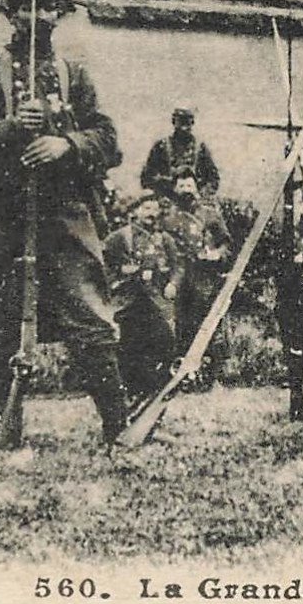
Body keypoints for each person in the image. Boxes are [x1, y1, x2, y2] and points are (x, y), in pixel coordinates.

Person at [0, 0, 129, 446]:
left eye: (47, 9)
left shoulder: (75, 73)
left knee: (90, 317)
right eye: (26, 8)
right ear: (11, 15)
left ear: (57, 16)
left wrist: (65, 144)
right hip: (0, 217)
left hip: (63, 217)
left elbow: (108, 139)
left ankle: (117, 426)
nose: (37, 18)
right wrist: (7, 127)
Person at [104, 192, 183, 402]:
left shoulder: (165, 239)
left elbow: (178, 266)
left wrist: (173, 283)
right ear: (135, 211)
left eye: (154, 209)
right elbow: (104, 265)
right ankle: (132, 391)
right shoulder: (120, 237)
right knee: (130, 346)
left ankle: (156, 389)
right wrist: (118, 278)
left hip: (157, 300)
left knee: (165, 342)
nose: (150, 213)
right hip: (129, 300)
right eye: (146, 208)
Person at [162, 168, 233, 380]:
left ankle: (212, 375)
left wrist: (216, 255)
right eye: (181, 186)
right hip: (179, 279)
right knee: (182, 326)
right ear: (174, 189)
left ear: (197, 189)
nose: (186, 190)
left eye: (189, 185)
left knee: (208, 325)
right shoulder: (167, 218)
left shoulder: (210, 214)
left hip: (205, 278)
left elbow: (226, 245)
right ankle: (182, 374)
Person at [140, 106, 220, 200]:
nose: (184, 127)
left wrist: (200, 194)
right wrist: (168, 184)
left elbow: (213, 178)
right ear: (174, 122)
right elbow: (147, 177)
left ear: (192, 123)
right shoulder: (161, 147)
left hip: (194, 199)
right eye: (181, 122)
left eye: (187, 122)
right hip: (167, 198)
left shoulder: (200, 149)